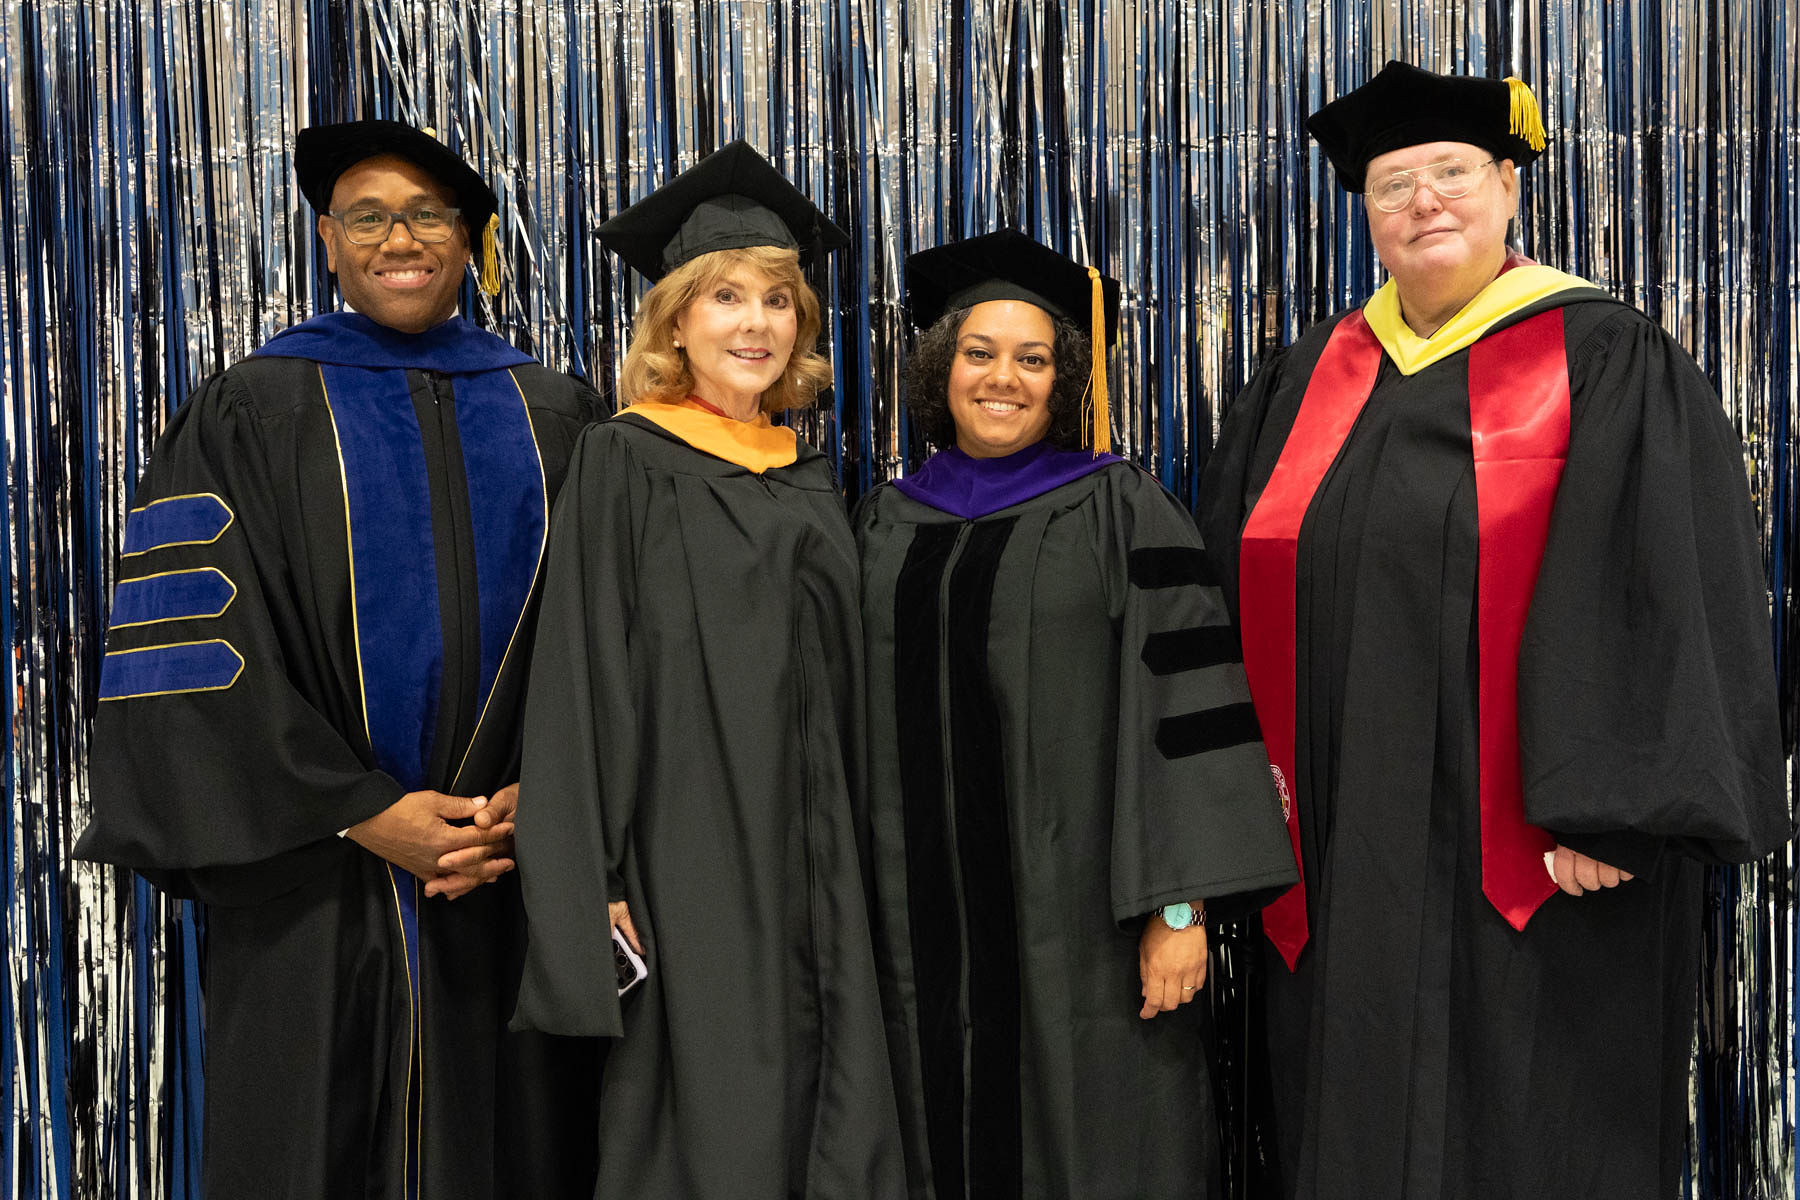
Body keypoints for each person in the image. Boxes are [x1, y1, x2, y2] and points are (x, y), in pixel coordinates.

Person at [1198, 62, 1791, 1199]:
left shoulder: (1606, 362)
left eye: (1452, 174)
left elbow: (1660, 581)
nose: (1424, 201)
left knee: (1531, 1124)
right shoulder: (1303, 382)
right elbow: (1228, 596)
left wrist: (1613, 804)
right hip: (1341, 851)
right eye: (1392, 184)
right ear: (1364, 214)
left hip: (1546, 862)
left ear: (1509, 188)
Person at [77, 120, 600, 1197]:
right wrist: (364, 810)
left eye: (427, 215)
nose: (397, 237)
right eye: (368, 216)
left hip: (508, 876)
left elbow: (608, 641)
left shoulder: (559, 413)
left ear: (471, 242)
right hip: (310, 880)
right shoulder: (251, 408)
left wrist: (536, 802)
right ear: (328, 240)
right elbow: (196, 656)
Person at [855, 230, 1297, 1199]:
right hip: (911, 928)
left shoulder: (1118, 509)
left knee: (1102, 1143)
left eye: (1033, 358)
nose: (1002, 378)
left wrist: (1179, 910)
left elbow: (1186, 709)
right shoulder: (884, 522)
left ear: (1063, 381)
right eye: (979, 353)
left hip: (1086, 928)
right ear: (942, 368)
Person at [509, 141, 906, 1199]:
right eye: (725, 296)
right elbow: (584, 673)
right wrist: (588, 878)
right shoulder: (627, 459)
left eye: (778, 300)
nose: (755, 323)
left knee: (837, 1099)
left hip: (824, 851)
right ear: (676, 319)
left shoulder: (809, 476)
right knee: (708, 1117)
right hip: (690, 855)